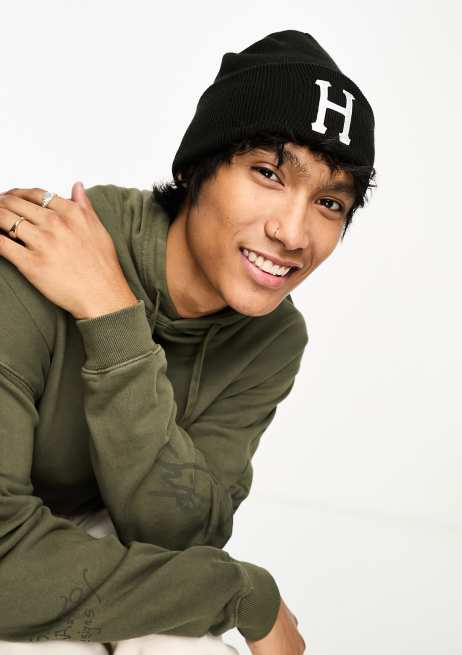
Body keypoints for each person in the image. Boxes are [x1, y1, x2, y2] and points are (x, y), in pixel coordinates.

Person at [0, 29, 376, 654]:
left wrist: (111, 315)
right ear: (196, 166)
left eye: (331, 203)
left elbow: (183, 540)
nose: (293, 233)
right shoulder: (34, 257)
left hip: (76, 541)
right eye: (268, 173)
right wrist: (241, 592)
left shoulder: (274, 338)